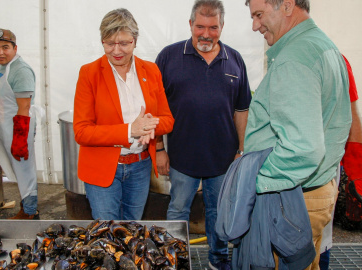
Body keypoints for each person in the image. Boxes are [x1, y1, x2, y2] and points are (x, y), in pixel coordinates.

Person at [243, 0, 352, 268]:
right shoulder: (322, 45)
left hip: (291, 198)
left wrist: (254, 182)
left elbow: (303, 149)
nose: (255, 26)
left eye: (259, 15)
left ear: (288, 5)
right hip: (317, 188)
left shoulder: (294, 59)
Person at [155, 0, 251, 268]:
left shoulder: (235, 60)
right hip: (181, 158)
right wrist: (159, 150)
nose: (206, 34)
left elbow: (242, 110)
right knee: (177, 211)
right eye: (200, 26)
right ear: (190, 25)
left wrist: (241, 151)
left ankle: (217, 260)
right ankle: (174, 259)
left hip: (223, 159)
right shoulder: (168, 57)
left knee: (218, 213)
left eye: (213, 27)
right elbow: (154, 109)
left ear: (222, 26)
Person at [73, 8, 174, 221]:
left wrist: (149, 126)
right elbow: (82, 132)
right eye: (110, 43)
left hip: (140, 166)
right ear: (102, 41)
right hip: (102, 168)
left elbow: (167, 119)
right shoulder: (89, 74)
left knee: (131, 229)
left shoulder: (151, 71)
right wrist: (130, 130)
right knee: (107, 232)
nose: (116, 50)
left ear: (135, 41)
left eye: (124, 43)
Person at [0, 29, 39, 219]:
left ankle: (30, 212)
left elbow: (24, 108)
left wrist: (20, 139)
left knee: (25, 171)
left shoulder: (20, 71)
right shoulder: (0, 68)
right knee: (16, 169)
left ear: (15, 48)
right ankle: (28, 207)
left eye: (5, 47)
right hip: (4, 127)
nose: (0, 52)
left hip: (18, 128)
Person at [319, 55, 362, 270]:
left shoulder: (337, 60)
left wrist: (356, 172)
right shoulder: (279, 55)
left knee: (322, 237)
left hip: (324, 168)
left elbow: (353, 113)